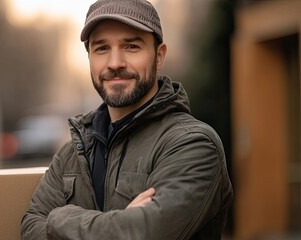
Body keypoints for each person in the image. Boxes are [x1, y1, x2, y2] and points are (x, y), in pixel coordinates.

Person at [21, 0, 234, 239]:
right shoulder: (71, 153)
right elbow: (31, 228)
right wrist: (120, 223)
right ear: (90, 57)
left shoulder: (193, 145)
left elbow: (145, 233)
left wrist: (58, 218)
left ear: (159, 56)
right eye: (101, 49)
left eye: (131, 46)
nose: (114, 63)